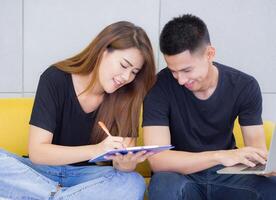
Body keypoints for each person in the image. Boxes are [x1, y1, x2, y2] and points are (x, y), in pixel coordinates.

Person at [0, 21, 156, 200]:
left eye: (134, 72)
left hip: (88, 178)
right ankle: (57, 195)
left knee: (132, 182)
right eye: (123, 65)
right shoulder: (54, 78)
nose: (127, 77)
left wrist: (126, 163)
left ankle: (46, 196)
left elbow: (123, 169)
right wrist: (96, 149)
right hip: (40, 174)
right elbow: (38, 153)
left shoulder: (129, 95)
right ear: (102, 51)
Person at [142, 14, 276, 200]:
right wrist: (219, 156)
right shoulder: (158, 87)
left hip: (227, 175)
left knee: (271, 188)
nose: (180, 80)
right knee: (162, 185)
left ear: (210, 54)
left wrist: (267, 166)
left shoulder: (244, 85)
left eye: (187, 70)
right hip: (180, 174)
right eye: (173, 71)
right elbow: (158, 160)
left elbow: (257, 152)